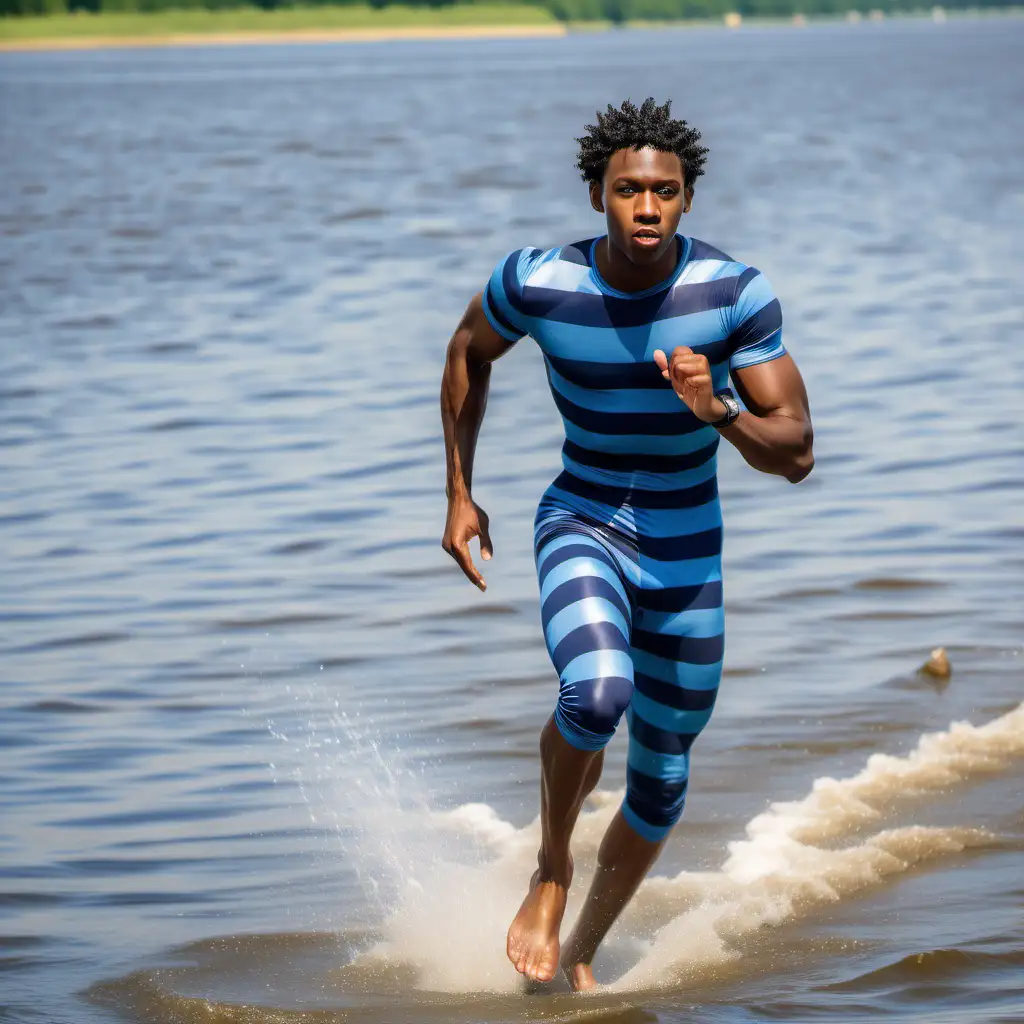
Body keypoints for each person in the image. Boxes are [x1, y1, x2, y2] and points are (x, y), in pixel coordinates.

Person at [439, 98, 814, 991]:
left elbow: (795, 450)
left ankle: (581, 955)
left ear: (688, 199)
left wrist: (717, 407)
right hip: (583, 519)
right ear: (597, 195)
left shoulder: (732, 294)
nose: (647, 209)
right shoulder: (538, 282)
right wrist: (459, 492)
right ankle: (552, 869)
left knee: (663, 782)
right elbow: (467, 350)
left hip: (688, 552)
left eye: (666, 193)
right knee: (597, 691)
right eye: (627, 191)